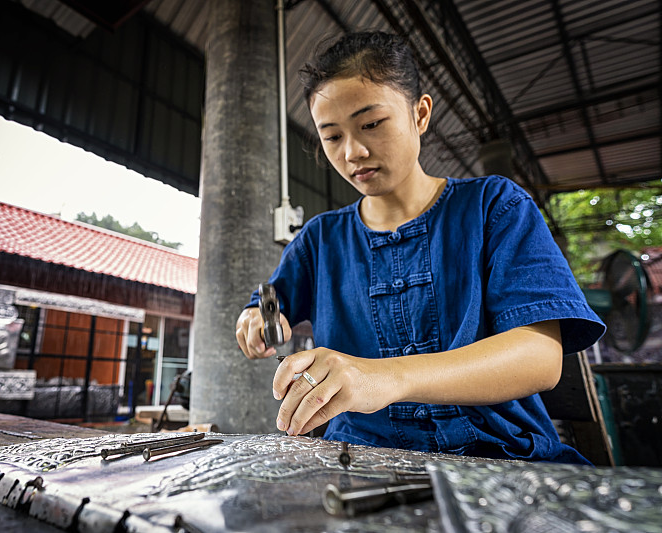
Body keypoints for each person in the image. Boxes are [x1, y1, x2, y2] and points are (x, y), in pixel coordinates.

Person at [235, 31, 605, 464]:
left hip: (502, 459)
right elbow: (270, 305)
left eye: (371, 124)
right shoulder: (319, 240)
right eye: (332, 137)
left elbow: (539, 357)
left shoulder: (495, 207)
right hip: (356, 462)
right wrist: (256, 320)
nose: (353, 151)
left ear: (420, 113)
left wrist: (385, 377)